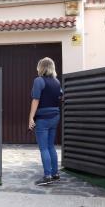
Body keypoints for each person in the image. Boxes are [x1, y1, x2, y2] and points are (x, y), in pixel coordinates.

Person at [28, 57, 62, 186]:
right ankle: (55, 174)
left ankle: (47, 176)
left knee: (43, 148)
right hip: (55, 116)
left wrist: (31, 118)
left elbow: (35, 100)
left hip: (43, 118)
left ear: (41, 67)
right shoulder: (57, 82)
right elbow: (60, 95)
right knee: (50, 146)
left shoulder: (39, 81)